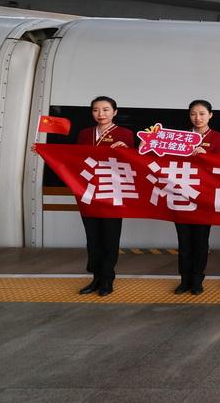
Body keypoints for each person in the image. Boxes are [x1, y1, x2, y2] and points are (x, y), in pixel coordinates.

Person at [74, 96, 134, 297]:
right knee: (92, 239)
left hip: (112, 193)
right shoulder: (84, 134)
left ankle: (107, 279)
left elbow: (135, 162)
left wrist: (127, 152)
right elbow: (73, 158)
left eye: (106, 110)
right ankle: (96, 278)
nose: (101, 114)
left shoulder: (125, 134)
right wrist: (44, 150)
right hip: (89, 192)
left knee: (110, 238)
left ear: (115, 112)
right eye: (96, 110)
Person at [175, 99, 220, 296]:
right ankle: (184, 280)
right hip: (181, 194)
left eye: (202, 114)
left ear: (210, 115)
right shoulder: (180, 137)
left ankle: (197, 279)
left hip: (204, 196)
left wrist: (207, 155)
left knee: (201, 241)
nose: (197, 118)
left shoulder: (218, 137)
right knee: (183, 241)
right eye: (193, 114)